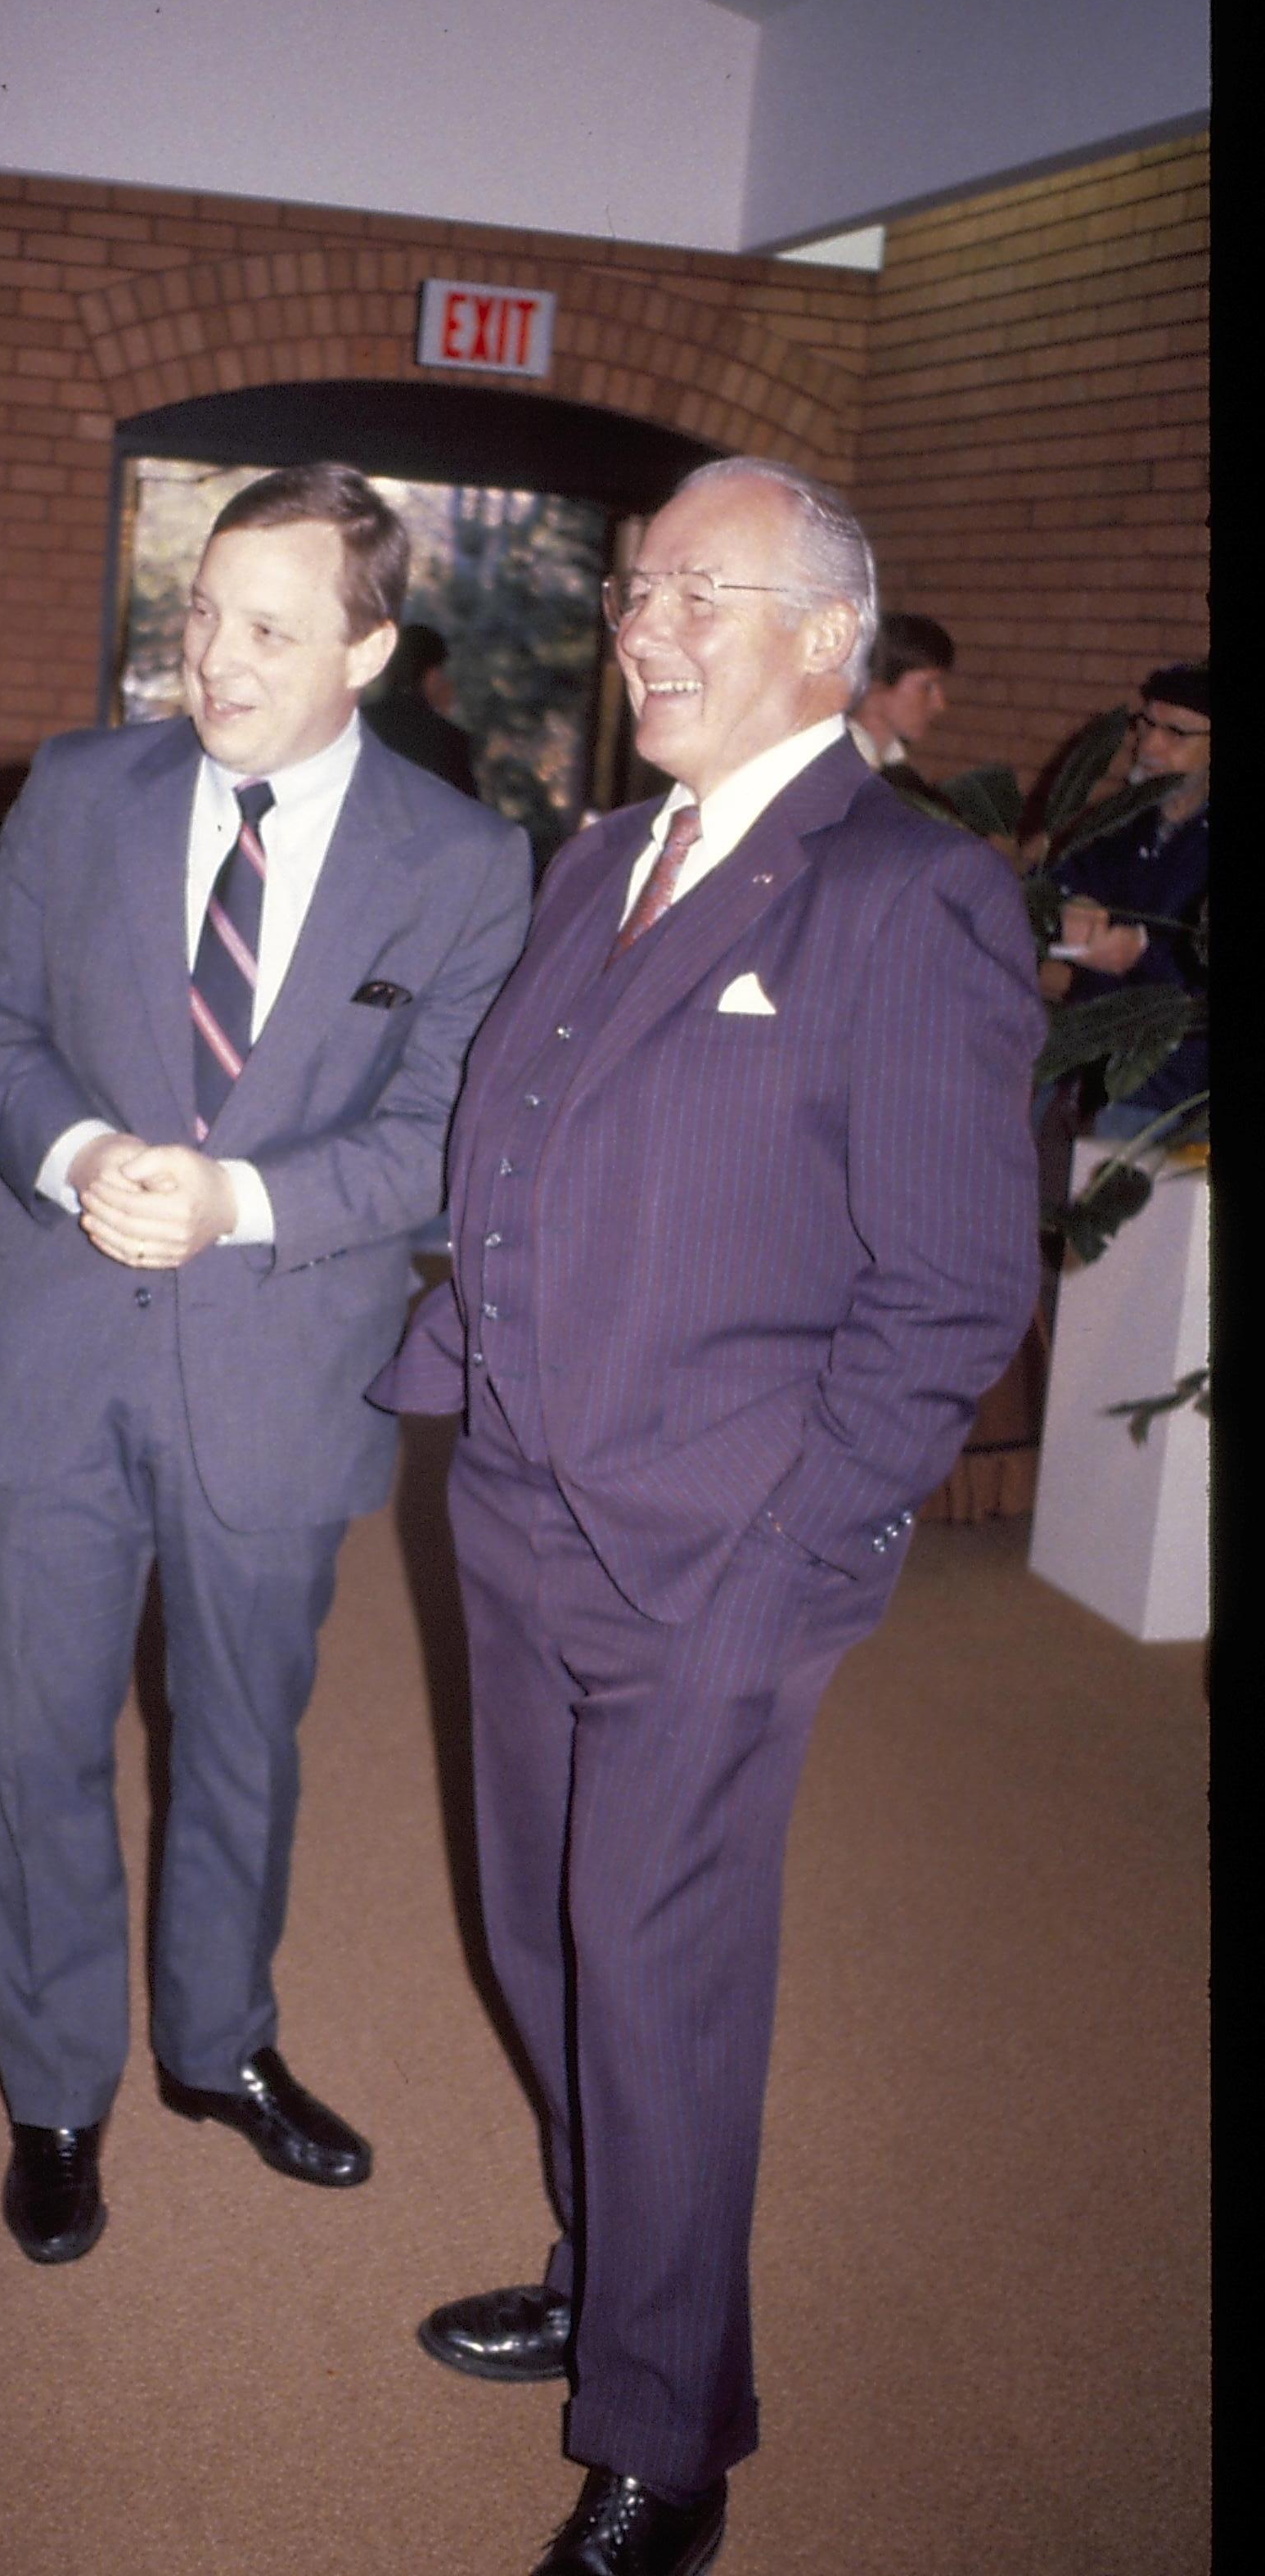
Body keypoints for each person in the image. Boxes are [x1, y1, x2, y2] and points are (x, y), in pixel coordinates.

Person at [371, 458, 1042, 2576]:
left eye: (695, 593)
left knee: (656, 1979)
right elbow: (524, 1145)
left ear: (827, 641)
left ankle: (671, 2436)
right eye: (638, 587)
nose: (643, 624)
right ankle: (607, 2263)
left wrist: (795, 1548)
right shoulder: (608, 859)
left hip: (717, 1552)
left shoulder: (904, 892)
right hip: (521, 1499)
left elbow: (954, 1284)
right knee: (536, 1933)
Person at [0, 462, 530, 2265]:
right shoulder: (77, 784)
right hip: (48, 1338)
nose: (211, 658)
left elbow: (450, 1131)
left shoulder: (465, 859)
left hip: (282, 1376)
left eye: (270, 628)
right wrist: (70, 1155)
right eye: (202, 611)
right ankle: (58, 2093)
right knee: (32, 1743)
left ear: (370, 644)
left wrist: (239, 1197)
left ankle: (216, 2045)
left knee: (241, 1746)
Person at [1042, 661, 1209, 1137]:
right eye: (1147, 725)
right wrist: (1075, 899)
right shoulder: (1122, 820)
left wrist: (1143, 951)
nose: (1150, 746)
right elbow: (1052, 883)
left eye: (1177, 733)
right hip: (1085, 1068)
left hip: (1170, 1091)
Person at [362, 617, 480, 795]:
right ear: (431, 675)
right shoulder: (447, 742)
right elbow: (463, 816)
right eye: (443, 672)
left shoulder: (358, 724)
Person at [849, 609, 955, 769]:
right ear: (876, 686)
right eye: (927, 687)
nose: (940, 705)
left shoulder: (896, 771)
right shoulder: (839, 774)